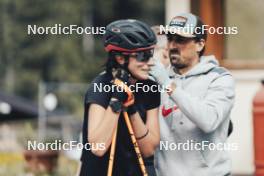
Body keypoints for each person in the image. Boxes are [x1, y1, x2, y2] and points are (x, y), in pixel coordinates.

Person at [149, 13, 235, 176]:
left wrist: (168, 85)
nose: (172, 45)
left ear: (200, 44)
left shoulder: (220, 78)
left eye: (180, 40)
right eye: (170, 38)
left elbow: (208, 121)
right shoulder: (160, 78)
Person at [79, 19, 161, 176]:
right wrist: (116, 102)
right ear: (120, 58)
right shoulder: (100, 86)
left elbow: (149, 149)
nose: (150, 62)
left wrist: (131, 108)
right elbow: (98, 147)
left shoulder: (151, 87)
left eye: (150, 54)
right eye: (143, 56)